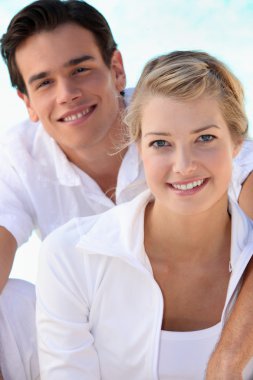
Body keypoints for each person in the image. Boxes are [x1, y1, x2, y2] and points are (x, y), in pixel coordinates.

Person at [0, 0, 253, 378]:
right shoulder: (19, 157)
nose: (67, 93)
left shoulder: (184, 112)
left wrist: (229, 362)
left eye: (81, 69)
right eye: (45, 82)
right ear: (27, 103)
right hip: (80, 323)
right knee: (10, 304)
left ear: (116, 69)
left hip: (213, 328)